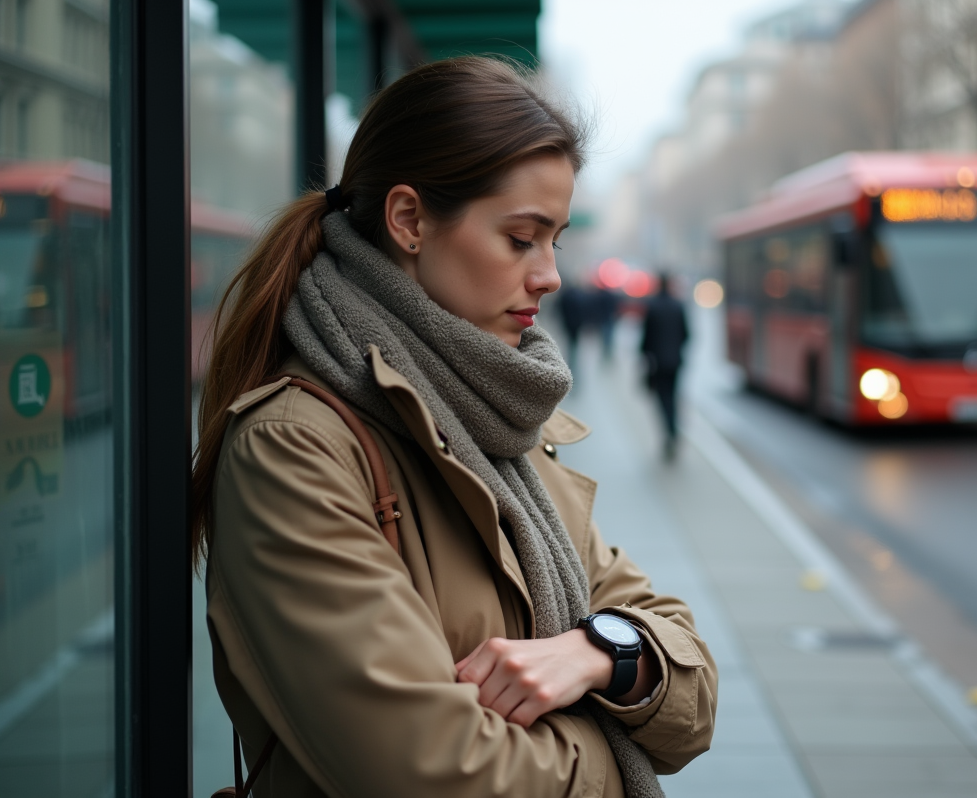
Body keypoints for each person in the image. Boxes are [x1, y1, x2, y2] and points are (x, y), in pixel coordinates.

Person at [191, 58, 715, 798]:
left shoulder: (505, 419)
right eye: (521, 238)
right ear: (409, 220)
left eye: (555, 240)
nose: (550, 275)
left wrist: (602, 653)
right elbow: (434, 773)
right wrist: (609, 739)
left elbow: (692, 693)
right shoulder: (294, 447)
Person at [640, 273, 689, 461]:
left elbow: (646, 338)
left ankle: (668, 433)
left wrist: (646, 355)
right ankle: (673, 431)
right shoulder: (678, 306)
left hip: (657, 363)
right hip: (675, 362)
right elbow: (687, 334)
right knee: (673, 398)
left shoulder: (652, 306)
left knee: (662, 399)